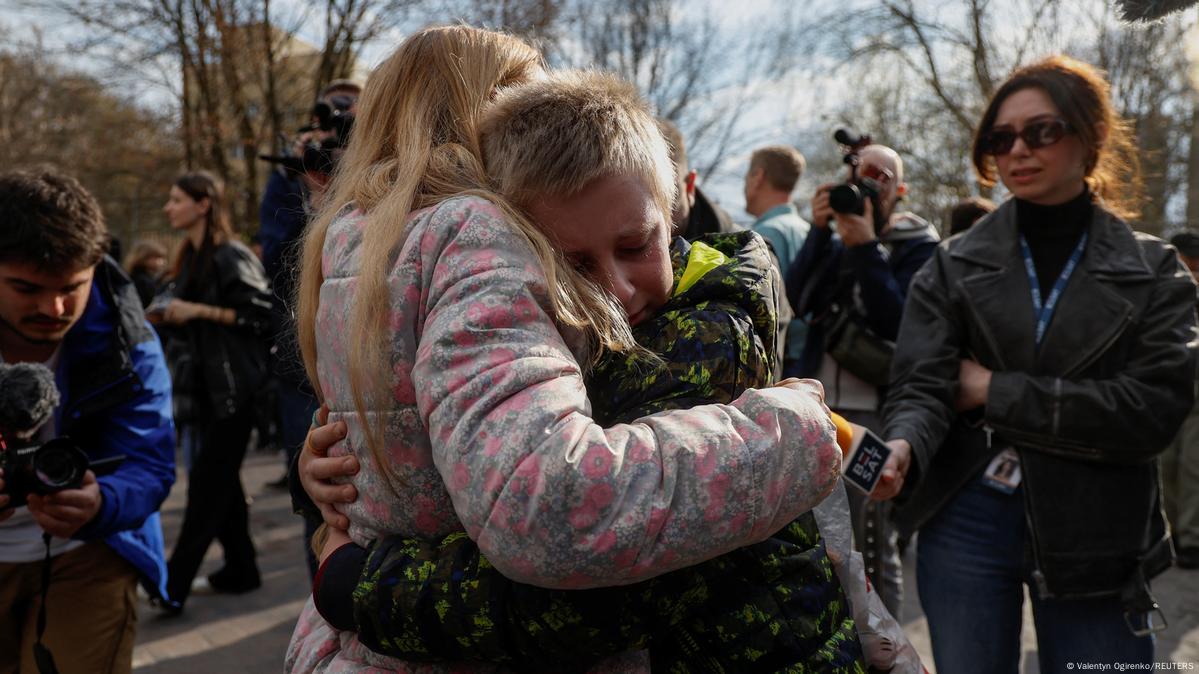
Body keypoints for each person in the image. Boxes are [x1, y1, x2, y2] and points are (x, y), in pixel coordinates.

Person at [284, 26, 843, 673]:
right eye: (524, 102)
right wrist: (795, 431)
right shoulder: (472, 232)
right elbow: (553, 504)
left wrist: (355, 564)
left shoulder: (357, 241)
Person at [879, 55, 1198, 672]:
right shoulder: (950, 266)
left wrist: (993, 391)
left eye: (1041, 131)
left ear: (1091, 138)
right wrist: (903, 445)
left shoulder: (1154, 272)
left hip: (1098, 526)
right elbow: (923, 385)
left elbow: (1151, 411)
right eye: (1001, 138)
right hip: (965, 513)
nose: (1018, 150)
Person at [0, 168, 175, 674]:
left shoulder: (129, 344)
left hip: (91, 554)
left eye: (70, 288)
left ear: (95, 268)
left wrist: (103, 500)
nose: (53, 308)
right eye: (26, 288)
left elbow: (151, 462)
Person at [784, 142, 939, 617]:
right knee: (816, 536)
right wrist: (818, 231)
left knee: (872, 538)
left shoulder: (920, 249)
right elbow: (796, 298)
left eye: (882, 175)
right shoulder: (834, 242)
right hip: (821, 410)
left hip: (876, 416)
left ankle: (886, 643)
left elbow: (898, 321)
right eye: (861, 171)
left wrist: (867, 248)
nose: (870, 182)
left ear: (901, 189)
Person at [152, 171, 273, 614]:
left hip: (235, 393)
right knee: (220, 483)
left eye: (176, 199)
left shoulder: (230, 255)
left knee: (205, 489)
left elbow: (262, 315)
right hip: (206, 390)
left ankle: (171, 587)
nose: (169, 208)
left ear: (203, 204)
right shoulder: (192, 257)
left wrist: (195, 310)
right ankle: (241, 570)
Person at [744, 144, 811, 374]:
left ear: (758, 176)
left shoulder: (763, 236)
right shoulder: (809, 231)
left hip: (785, 364)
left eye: (747, 175)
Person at [1164, 230, 1199, 569]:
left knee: (1193, 466)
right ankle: (1174, 533)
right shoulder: (1162, 283)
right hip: (1168, 388)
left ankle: (1192, 538)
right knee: (1166, 463)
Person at [122, 239, 168, 308]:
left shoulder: (132, 275)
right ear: (144, 257)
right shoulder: (143, 282)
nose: (162, 262)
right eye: (157, 257)